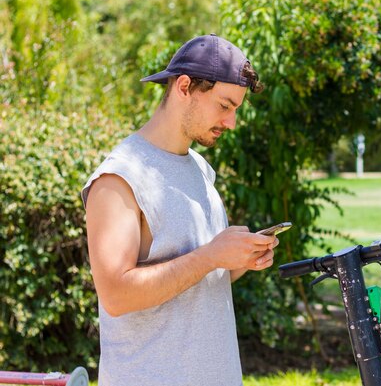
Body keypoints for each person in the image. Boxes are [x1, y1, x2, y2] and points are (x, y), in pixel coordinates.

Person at [81, 34, 276, 386]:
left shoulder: (200, 169)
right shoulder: (119, 178)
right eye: (224, 105)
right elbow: (116, 294)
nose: (231, 122)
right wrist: (211, 256)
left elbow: (199, 274)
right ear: (184, 86)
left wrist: (237, 260)